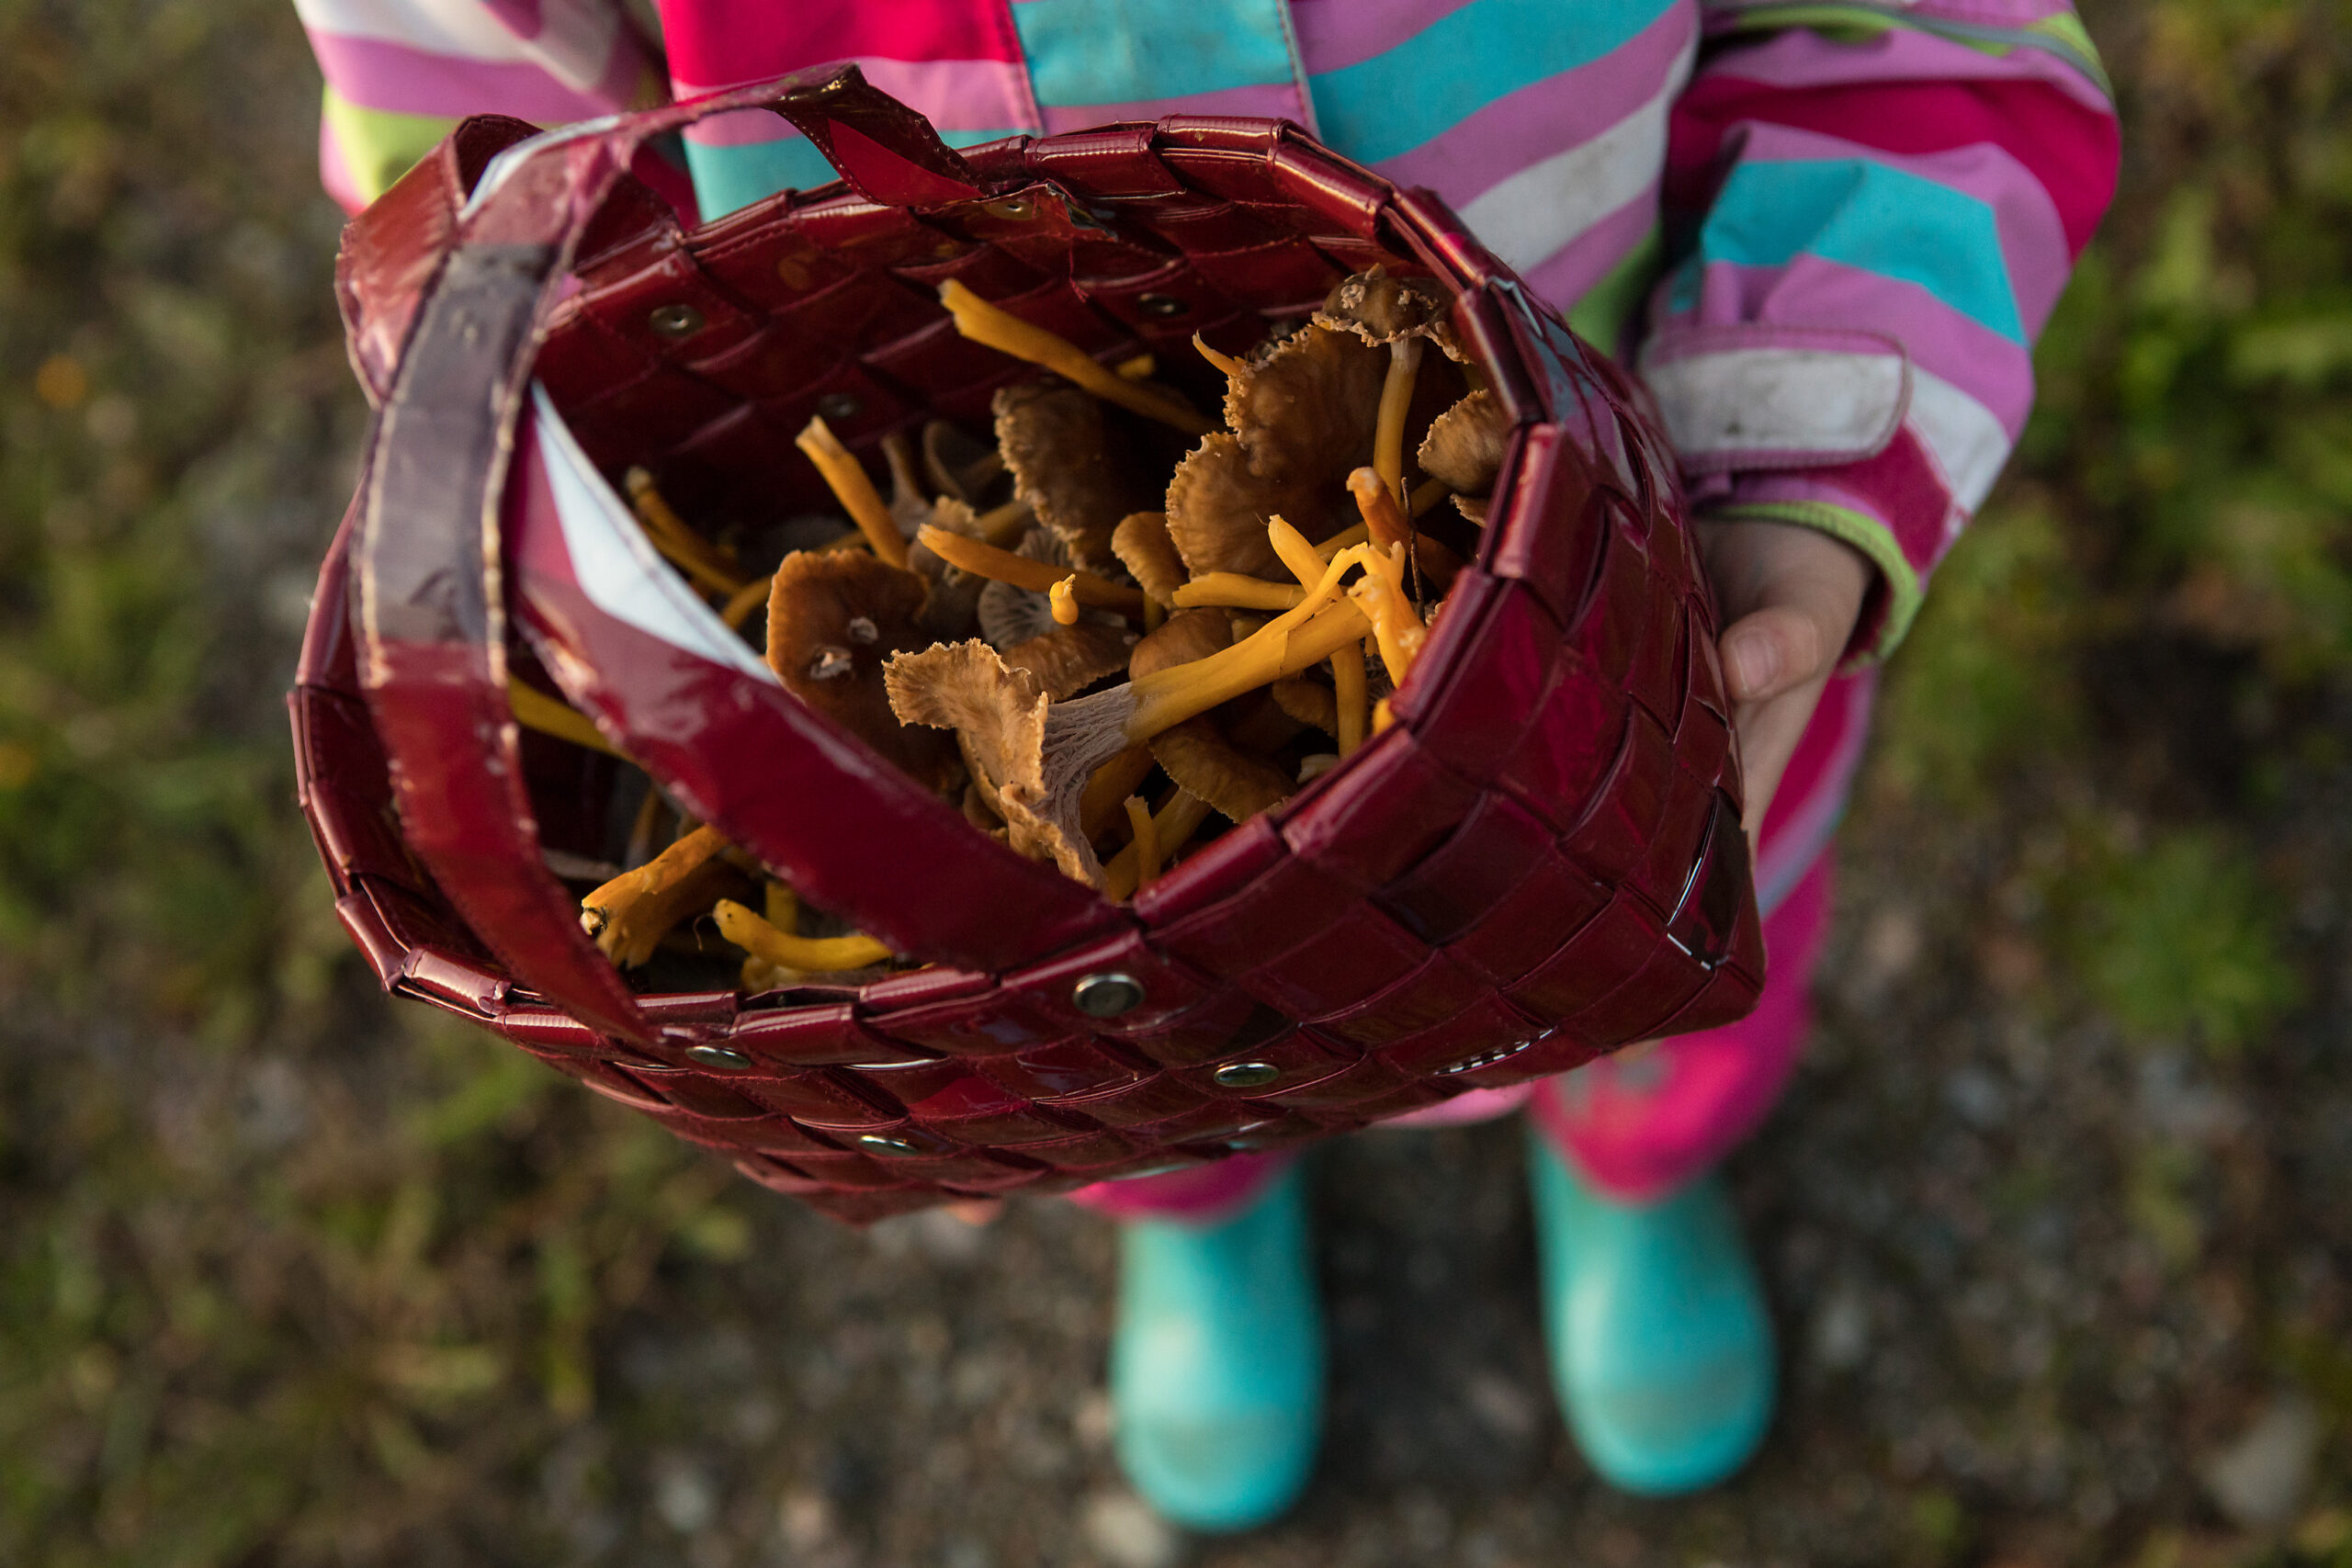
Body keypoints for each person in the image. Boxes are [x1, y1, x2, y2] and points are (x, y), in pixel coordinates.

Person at [293, 0, 2120, 1529]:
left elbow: (1923, 37)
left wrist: (1793, 447)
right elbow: (480, 137)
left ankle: (1636, 1163)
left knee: (1662, 966)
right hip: (1030, 899)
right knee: (1100, 1050)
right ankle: (1195, 1199)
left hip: (1629, 613)